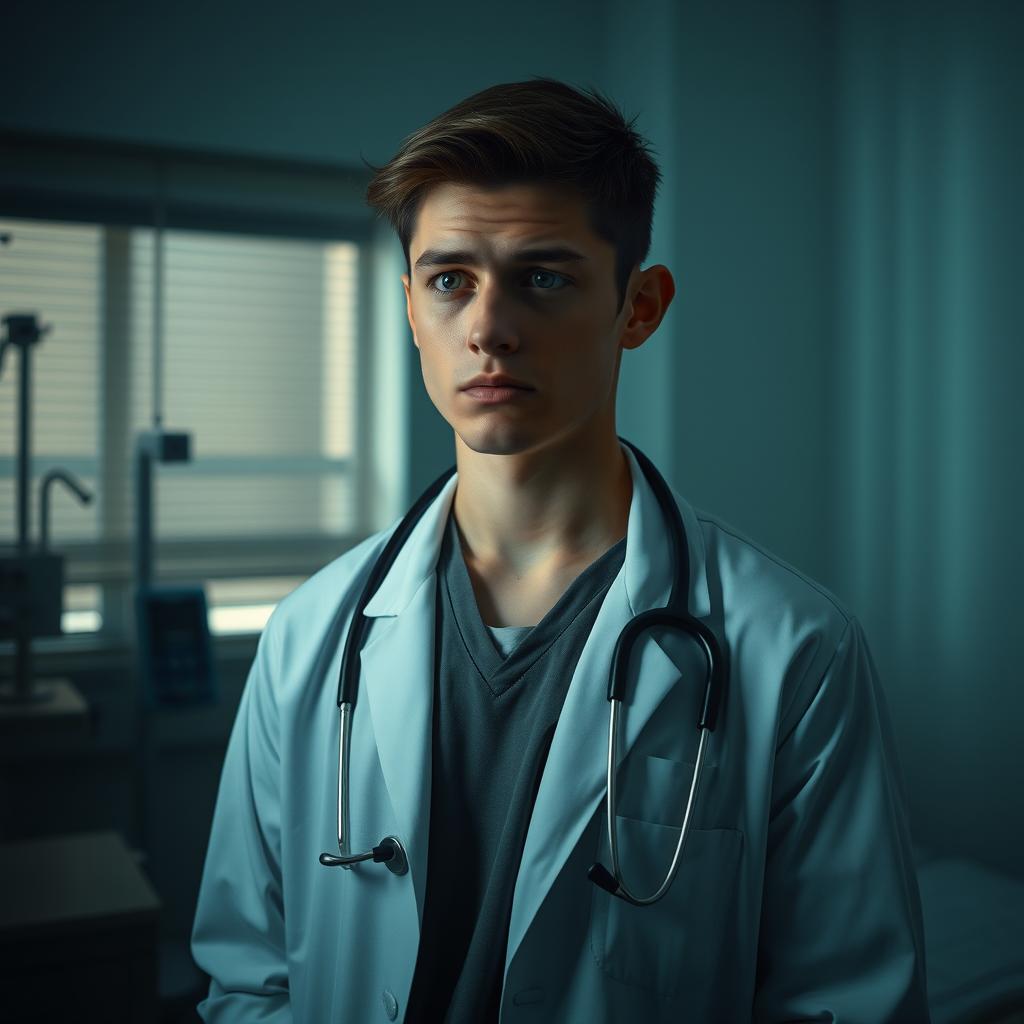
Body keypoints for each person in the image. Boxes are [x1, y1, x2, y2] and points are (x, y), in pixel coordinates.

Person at [191, 77, 931, 1022]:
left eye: (544, 276)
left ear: (640, 307)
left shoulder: (794, 649)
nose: (488, 329)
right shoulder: (309, 636)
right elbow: (250, 982)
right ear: (411, 307)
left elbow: (847, 1005)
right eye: (449, 279)